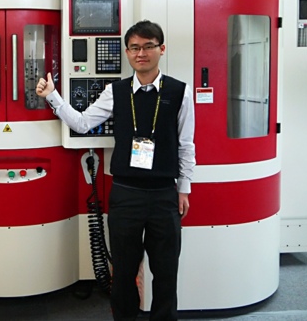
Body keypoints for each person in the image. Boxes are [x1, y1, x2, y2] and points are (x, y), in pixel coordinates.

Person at [36, 20, 195, 321]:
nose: (141, 53)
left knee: (166, 272)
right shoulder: (116, 91)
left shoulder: (179, 92)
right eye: (134, 48)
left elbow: (186, 144)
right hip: (125, 194)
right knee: (122, 272)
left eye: (148, 46)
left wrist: (184, 188)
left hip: (164, 195)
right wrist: (53, 97)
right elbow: (83, 123)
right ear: (127, 52)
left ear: (161, 49)